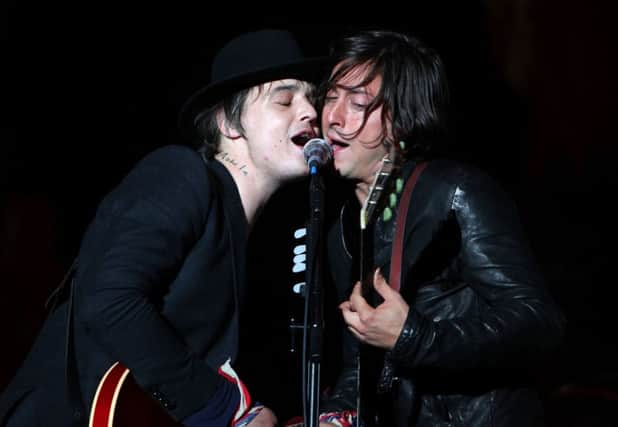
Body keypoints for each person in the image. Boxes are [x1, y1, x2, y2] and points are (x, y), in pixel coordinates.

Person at [0, 29, 326, 427]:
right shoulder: (181, 172)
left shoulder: (254, 237)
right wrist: (224, 409)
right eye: (285, 99)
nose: (311, 111)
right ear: (228, 122)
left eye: (313, 98)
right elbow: (109, 297)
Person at [315, 30, 566, 427]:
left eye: (357, 101)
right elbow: (361, 361)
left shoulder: (455, 192)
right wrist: (337, 413)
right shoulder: (342, 230)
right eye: (331, 97)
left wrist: (415, 337)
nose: (333, 116)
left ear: (400, 119)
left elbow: (537, 322)